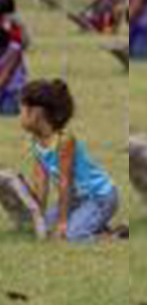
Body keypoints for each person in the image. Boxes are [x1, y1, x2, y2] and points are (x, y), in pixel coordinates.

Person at [20, 79, 121, 243]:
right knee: (46, 227)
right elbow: (41, 182)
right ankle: (94, 224)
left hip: (100, 197)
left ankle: (115, 235)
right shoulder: (36, 141)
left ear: (37, 113)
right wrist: (38, 217)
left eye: (23, 111)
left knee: (70, 236)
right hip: (77, 199)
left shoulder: (64, 141)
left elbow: (65, 183)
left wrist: (62, 222)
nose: (20, 117)